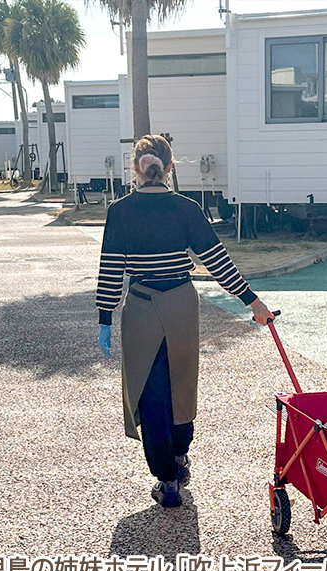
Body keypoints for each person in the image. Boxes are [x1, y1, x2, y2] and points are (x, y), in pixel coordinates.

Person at [96, 134, 275, 507]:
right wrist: (252, 301)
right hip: (180, 303)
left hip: (142, 306)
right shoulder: (187, 208)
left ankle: (167, 479)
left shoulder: (120, 210)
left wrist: (104, 316)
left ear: (136, 168)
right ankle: (179, 457)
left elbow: (111, 268)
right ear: (169, 168)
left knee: (150, 391)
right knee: (182, 384)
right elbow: (217, 260)